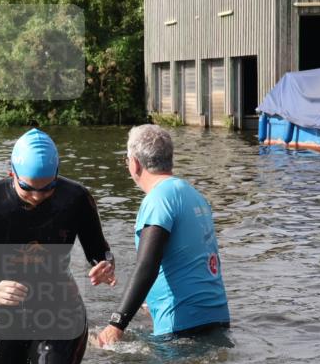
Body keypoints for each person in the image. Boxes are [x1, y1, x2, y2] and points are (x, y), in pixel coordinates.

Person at [0, 129, 116, 364]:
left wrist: (105, 265)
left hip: (60, 310)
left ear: (57, 176)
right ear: (11, 175)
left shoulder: (76, 198)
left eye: (48, 188)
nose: (38, 197)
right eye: (27, 188)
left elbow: (99, 252)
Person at [94, 125, 230, 348]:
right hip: (216, 318)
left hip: (181, 326)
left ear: (134, 163)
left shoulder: (158, 199)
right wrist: (152, 301)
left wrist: (116, 324)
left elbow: (147, 264)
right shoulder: (194, 195)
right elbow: (191, 258)